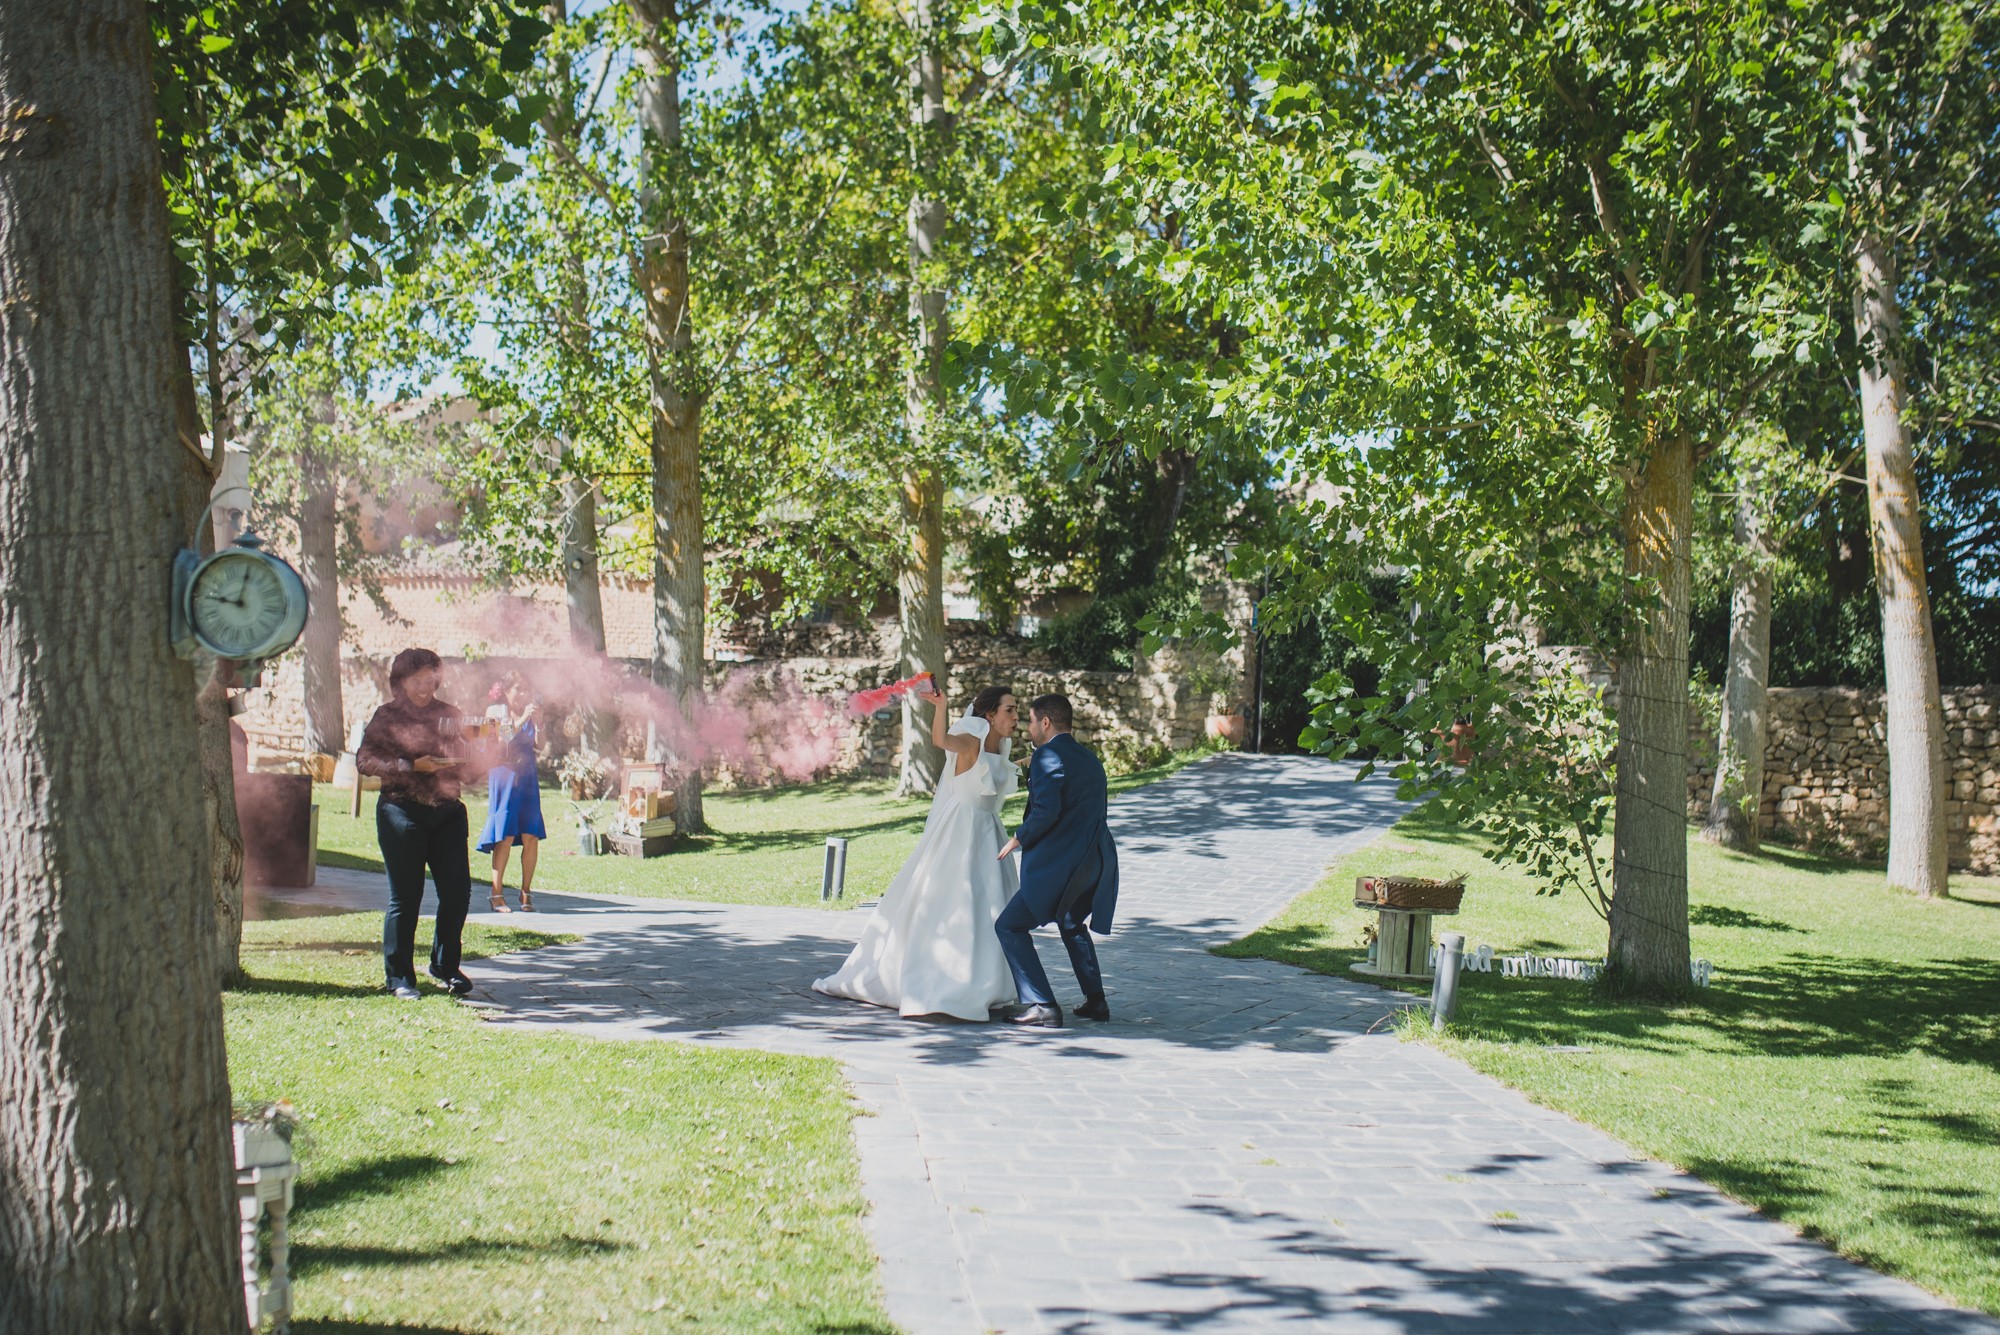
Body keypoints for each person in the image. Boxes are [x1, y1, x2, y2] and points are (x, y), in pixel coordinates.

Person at [813, 684, 1023, 1021]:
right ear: (990, 714)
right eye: (1009, 709)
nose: (1016, 716)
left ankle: (987, 984)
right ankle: (946, 983)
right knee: (957, 901)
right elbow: (940, 740)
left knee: (991, 905)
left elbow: (998, 775)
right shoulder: (971, 741)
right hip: (963, 830)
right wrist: (941, 707)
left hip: (989, 831)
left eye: (1016, 709)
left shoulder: (1001, 746)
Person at [357, 648, 478, 1000]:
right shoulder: (387, 716)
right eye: (416, 680)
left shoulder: (451, 715)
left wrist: (484, 753)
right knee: (406, 897)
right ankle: (399, 977)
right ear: (400, 682)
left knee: (457, 893)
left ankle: (445, 966)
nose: (425, 687)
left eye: (430, 679)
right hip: (401, 811)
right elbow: (364, 761)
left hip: (448, 812)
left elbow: (468, 771)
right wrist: (410, 766)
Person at [993, 693, 1119, 1029]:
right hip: (1094, 862)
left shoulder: (1048, 756)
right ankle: (1096, 1001)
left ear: (1045, 722)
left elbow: (1047, 811)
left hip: (1061, 867)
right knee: (1071, 923)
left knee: (1009, 926)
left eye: (1032, 721)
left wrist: (1019, 837)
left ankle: (1043, 1005)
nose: (1028, 728)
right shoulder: (1088, 758)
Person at [479, 673, 546, 912]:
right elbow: (500, 741)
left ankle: (526, 893)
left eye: (526, 689)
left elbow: (540, 745)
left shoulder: (531, 712)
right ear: (506, 691)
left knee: (531, 835)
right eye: (518, 689)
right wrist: (523, 718)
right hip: (504, 775)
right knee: (505, 835)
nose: (523, 694)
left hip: (527, 776)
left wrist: (539, 723)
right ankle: (496, 894)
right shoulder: (494, 712)